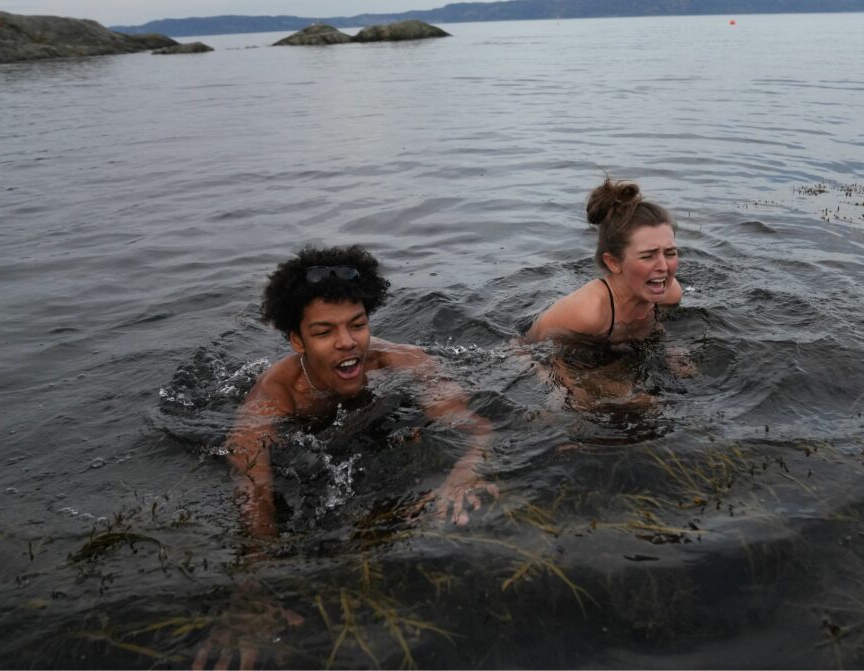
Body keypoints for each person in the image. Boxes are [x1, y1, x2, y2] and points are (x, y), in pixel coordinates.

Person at [195, 244, 498, 669]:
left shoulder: (404, 361)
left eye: (358, 325)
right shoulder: (272, 399)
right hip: (301, 444)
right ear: (296, 339)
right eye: (323, 333)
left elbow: (477, 429)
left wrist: (465, 470)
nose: (346, 343)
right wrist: (252, 585)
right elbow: (254, 493)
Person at [526, 177, 683, 344]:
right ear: (613, 262)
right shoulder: (588, 313)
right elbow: (524, 350)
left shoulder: (670, 294)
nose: (663, 266)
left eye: (670, 253)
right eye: (647, 256)